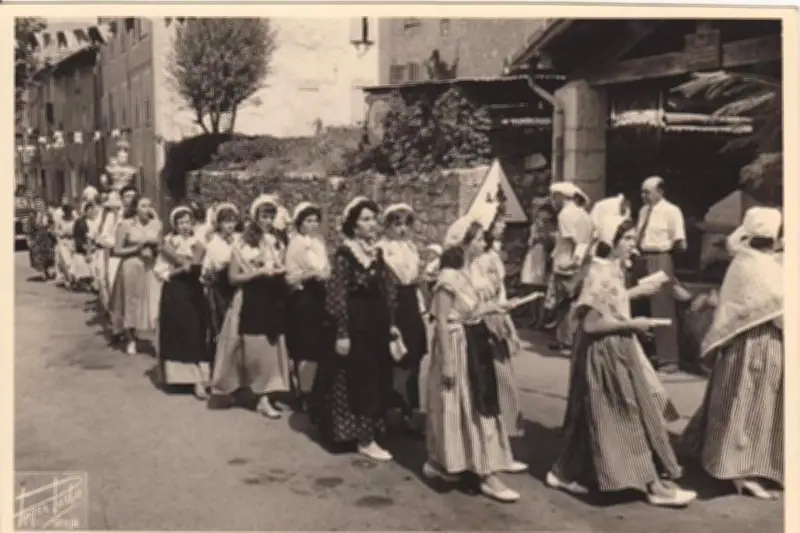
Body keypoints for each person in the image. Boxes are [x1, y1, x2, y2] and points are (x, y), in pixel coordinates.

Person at [545, 214, 695, 508]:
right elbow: (591, 324)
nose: (633, 246)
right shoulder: (600, 273)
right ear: (610, 240)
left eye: (632, 239)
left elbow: (610, 304)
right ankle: (652, 485)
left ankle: (563, 472)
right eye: (626, 239)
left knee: (593, 416)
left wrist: (632, 302)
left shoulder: (610, 269)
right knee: (627, 415)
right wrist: (633, 324)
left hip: (617, 348)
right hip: (606, 352)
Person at [682, 207, 783, 500]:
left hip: (739, 343)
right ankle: (742, 470)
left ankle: (726, 459)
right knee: (754, 402)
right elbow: (782, 312)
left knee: (736, 398)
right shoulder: (764, 267)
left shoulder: (744, 260)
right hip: (761, 343)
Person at [424, 216, 522, 502]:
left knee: (478, 403)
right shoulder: (448, 277)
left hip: (474, 341)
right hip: (456, 345)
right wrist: (448, 363)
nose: (483, 242)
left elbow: (473, 309)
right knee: (459, 404)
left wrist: (498, 307)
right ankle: (472, 469)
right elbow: (442, 321)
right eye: (478, 239)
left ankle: (480, 465)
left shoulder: (466, 272)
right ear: (464, 243)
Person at [309, 196, 398, 462]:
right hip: (355, 324)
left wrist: (392, 324)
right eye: (366, 220)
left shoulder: (376, 253)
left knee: (376, 376)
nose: (372, 224)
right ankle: (363, 439)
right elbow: (336, 295)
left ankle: (371, 431)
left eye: (373, 219)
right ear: (354, 225)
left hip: (375, 323)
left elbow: (388, 290)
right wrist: (342, 333)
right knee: (358, 379)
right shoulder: (345, 255)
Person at [211, 194, 292, 419]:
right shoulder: (243, 243)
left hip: (272, 297)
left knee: (272, 347)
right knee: (252, 347)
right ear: (255, 217)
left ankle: (267, 393)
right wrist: (257, 273)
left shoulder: (278, 241)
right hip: (251, 297)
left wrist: (281, 272)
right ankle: (257, 394)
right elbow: (233, 277)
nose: (267, 220)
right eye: (264, 216)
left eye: (271, 216)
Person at [470, 210, 528, 456]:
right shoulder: (472, 260)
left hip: (496, 317)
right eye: (498, 222)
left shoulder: (493, 257)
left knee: (502, 375)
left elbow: (501, 294)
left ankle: (504, 430)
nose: (503, 226)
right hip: (479, 318)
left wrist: (510, 327)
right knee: (484, 376)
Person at [377, 203, 428, 433]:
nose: (402, 229)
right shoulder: (381, 248)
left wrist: (422, 307)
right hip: (391, 303)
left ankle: (410, 410)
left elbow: (414, 280)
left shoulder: (411, 248)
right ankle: (386, 411)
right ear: (388, 225)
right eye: (397, 224)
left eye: (406, 224)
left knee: (412, 357)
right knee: (391, 356)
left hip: (409, 303)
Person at [156, 206, 210, 399]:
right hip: (175, 290)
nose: (185, 226)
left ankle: (199, 379)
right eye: (181, 223)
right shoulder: (168, 243)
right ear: (175, 225)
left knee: (195, 330)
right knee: (177, 330)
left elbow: (203, 265)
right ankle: (178, 378)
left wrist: (195, 267)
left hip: (195, 290)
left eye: (187, 222)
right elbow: (161, 271)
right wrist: (180, 270)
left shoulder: (199, 243)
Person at [635, 176, 686, 374]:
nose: (644, 196)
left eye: (648, 192)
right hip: (642, 257)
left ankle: (669, 359)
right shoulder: (643, 211)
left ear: (660, 192)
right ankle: (647, 354)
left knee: (662, 307)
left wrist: (669, 265)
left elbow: (679, 241)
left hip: (660, 258)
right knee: (641, 306)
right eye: (642, 192)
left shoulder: (671, 211)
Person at [284, 201, 331, 410]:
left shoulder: (319, 243)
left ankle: (314, 388)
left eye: (315, 221)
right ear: (299, 223)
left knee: (317, 342)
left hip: (320, 295)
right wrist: (310, 274)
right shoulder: (295, 244)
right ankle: (303, 390)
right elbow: (290, 276)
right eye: (308, 221)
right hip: (303, 297)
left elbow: (326, 266)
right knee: (304, 342)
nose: (312, 225)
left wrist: (325, 274)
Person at [544, 182, 594, 355]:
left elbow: (575, 241)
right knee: (572, 301)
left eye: (554, 197)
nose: (552, 202)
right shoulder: (583, 214)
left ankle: (567, 341)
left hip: (566, 263)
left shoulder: (565, 215)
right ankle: (565, 338)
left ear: (562, 197)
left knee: (565, 303)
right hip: (580, 263)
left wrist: (573, 261)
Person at [109, 196, 163, 355]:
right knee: (131, 302)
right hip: (131, 266)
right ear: (135, 208)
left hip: (150, 266)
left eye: (149, 205)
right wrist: (138, 247)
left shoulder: (156, 225)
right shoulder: (125, 225)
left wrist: (155, 248)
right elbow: (117, 250)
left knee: (154, 303)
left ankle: (157, 341)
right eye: (143, 206)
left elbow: (161, 247)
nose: (147, 209)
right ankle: (131, 339)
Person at [201, 203, 241, 384]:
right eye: (226, 221)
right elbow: (206, 271)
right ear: (218, 223)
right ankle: (217, 374)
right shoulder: (213, 244)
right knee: (219, 329)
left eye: (233, 221)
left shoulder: (240, 240)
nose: (230, 225)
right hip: (219, 289)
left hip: (236, 287)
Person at [520, 199, 556, 328]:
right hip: (533, 256)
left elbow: (551, 242)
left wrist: (544, 236)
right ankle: (533, 317)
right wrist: (534, 236)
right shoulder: (534, 226)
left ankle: (541, 318)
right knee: (531, 287)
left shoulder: (551, 227)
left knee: (541, 290)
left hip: (543, 257)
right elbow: (529, 242)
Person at [70, 201, 100, 292]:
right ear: (86, 210)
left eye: (94, 210)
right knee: (83, 266)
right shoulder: (80, 222)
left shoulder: (97, 222)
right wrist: (85, 247)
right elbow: (77, 237)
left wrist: (95, 245)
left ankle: (92, 282)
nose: (92, 212)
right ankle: (82, 282)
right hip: (83, 249)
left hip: (95, 248)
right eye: (90, 210)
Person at [27, 197, 56, 280]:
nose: (38, 206)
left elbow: (52, 224)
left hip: (47, 238)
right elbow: (29, 229)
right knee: (39, 256)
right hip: (37, 239)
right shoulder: (32, 216)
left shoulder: (48, 215)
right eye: (37, 205)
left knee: (48, 256)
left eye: (40, 204)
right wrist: (29, 239)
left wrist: (51, 229)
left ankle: (47, 271)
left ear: (43, 205)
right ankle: (43, 273)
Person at [54, 197, 78, 289]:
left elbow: (79, 228)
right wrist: (62, 233)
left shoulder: (75, 218)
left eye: (69, 210)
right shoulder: (60, 219)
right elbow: (56, 230)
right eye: (66, 210)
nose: (68, 212)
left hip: (73, 241)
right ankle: (67, 280)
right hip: (63, 242)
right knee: (66, 261)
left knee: (73, 261)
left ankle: (72, 278)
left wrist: (74, 233)